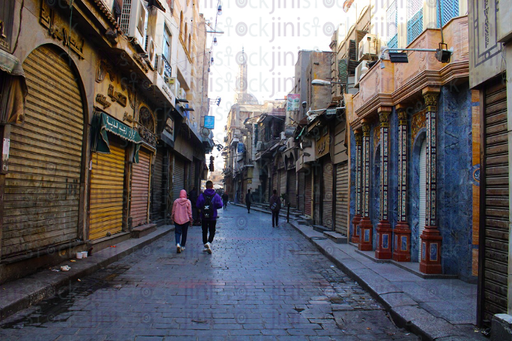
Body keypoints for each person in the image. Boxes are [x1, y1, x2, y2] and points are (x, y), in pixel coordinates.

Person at [196, 180, 223, 254]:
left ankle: (205, 243)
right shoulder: (216, 195)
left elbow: (198, 205)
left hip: (204, 216)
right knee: (212, 231)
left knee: (204, 231)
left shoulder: (202, 195)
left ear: (206, 187)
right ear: (212, 186)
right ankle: (209, 242)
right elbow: (220, 205)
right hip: (212, 216)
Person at [171, 189, 193, 253]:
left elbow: (173, 211)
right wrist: (190, 219)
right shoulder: (188, 202)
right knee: (184, 233)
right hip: (185, 220)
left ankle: (178, 243)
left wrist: (172, 217)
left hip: (177, 219)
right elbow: (189, 212)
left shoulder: (176, 201)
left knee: (177, 232)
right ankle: (183, 246)